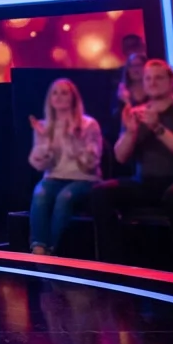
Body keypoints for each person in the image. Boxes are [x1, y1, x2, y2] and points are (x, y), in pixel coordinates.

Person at [89, 59, 173, 272]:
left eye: (159, 77)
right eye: (148, 78)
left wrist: (157, 127)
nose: (152, 82)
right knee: (101, 192)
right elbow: (120, 156)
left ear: (172, 81)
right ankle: (113, 267)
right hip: (146, 181)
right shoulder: (136, 113)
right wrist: (132, 131)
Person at [27, 79, 102, 256]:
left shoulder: (88, 124)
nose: (59, 97)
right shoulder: (44, 126)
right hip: (54, 177)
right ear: (50, 99)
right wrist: (45, 144)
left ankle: (53, 250)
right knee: (40, 192)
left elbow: (93, 162)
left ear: (73, 98)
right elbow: (39, 164)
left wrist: (74, 140)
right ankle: (38, 247)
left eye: (64, 92)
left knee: (65, 197)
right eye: (55, 93)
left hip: (84, 179)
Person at [112, 53, 148, 125]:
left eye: (139, 65)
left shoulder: (153, 90)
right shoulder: (121, 91)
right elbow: (115, 120)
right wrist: (125, 101)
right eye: (132, 66)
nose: (135, 69)